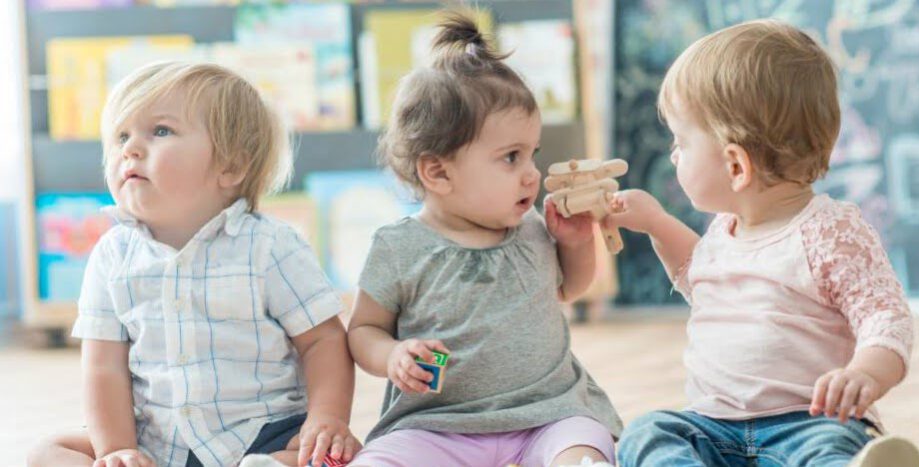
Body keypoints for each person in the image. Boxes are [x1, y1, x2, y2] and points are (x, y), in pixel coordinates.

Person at [604, 19, 919, 467]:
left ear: (736, 166)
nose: (674, 155)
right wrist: (656, 223)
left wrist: (864, 373)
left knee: (829, 450)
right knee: (648, 432)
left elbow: (885, 315)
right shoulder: (723, 229)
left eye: (680, 142)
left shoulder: (830, 232)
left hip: (809, 424)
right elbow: (701, 280)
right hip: (712, 426)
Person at [28, 62, 360, 467]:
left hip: (265, 431)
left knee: (332, 456)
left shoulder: (270, 246)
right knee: (49, 453)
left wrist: (327, 419)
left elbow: (323, 341)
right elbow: (103, 365)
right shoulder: (113, 255)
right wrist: (118, 449)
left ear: (231, 167)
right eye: (120, 136)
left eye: (161, 131)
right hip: (159, 441)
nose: (129, 149)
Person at [345, 11, 623, 467]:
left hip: (548, 414)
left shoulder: (531, 225)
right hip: (437, 426)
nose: (531, 174)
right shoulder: (398, 247)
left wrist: (575, 242)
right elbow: (362, 330)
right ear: (437, 172)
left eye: (532, 154)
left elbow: (570, 288)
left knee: (587, 450)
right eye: (510, 158)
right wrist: (392, 353)